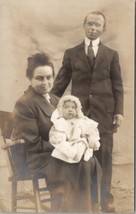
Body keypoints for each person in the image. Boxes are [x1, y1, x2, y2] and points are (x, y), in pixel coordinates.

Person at [51, 11, 124, 212]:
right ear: (83, 26)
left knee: (105, 160)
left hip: (105, 116)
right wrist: (46, 103)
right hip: (78, 118)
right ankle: (88, 203)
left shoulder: (111, 55)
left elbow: (118, 85)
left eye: (97, 25)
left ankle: (106, 202)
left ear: (104, 29)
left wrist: (119, 112)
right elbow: (59, 86)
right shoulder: (71, 53)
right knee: (83, 160)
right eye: (90, 24)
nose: (93, 28)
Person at [11, 52, 102, 213]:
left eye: (49, 77)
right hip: (35, 156)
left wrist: (75, 143)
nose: (45, 82)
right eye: (39, 78)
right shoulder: (24, 103)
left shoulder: (55, 100)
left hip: (54, 150)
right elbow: (33, 143)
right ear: (29, 79)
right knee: (76, 163)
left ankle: (87, 209)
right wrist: (65, 149)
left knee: (89, 161)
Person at [49, 94, 100, 163]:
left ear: (78, 110)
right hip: (66, 145)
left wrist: (94, 141)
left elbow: (92, 132)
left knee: (83, 143)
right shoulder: (60, 123)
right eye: (66, 107)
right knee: (61, 148)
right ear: (60, 109)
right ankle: (71, 154)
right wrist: (65, 146)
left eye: (73, 107)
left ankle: (79, 154)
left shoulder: (81, 121)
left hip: (80, 143)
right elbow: (56, 137)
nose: (70, 110)